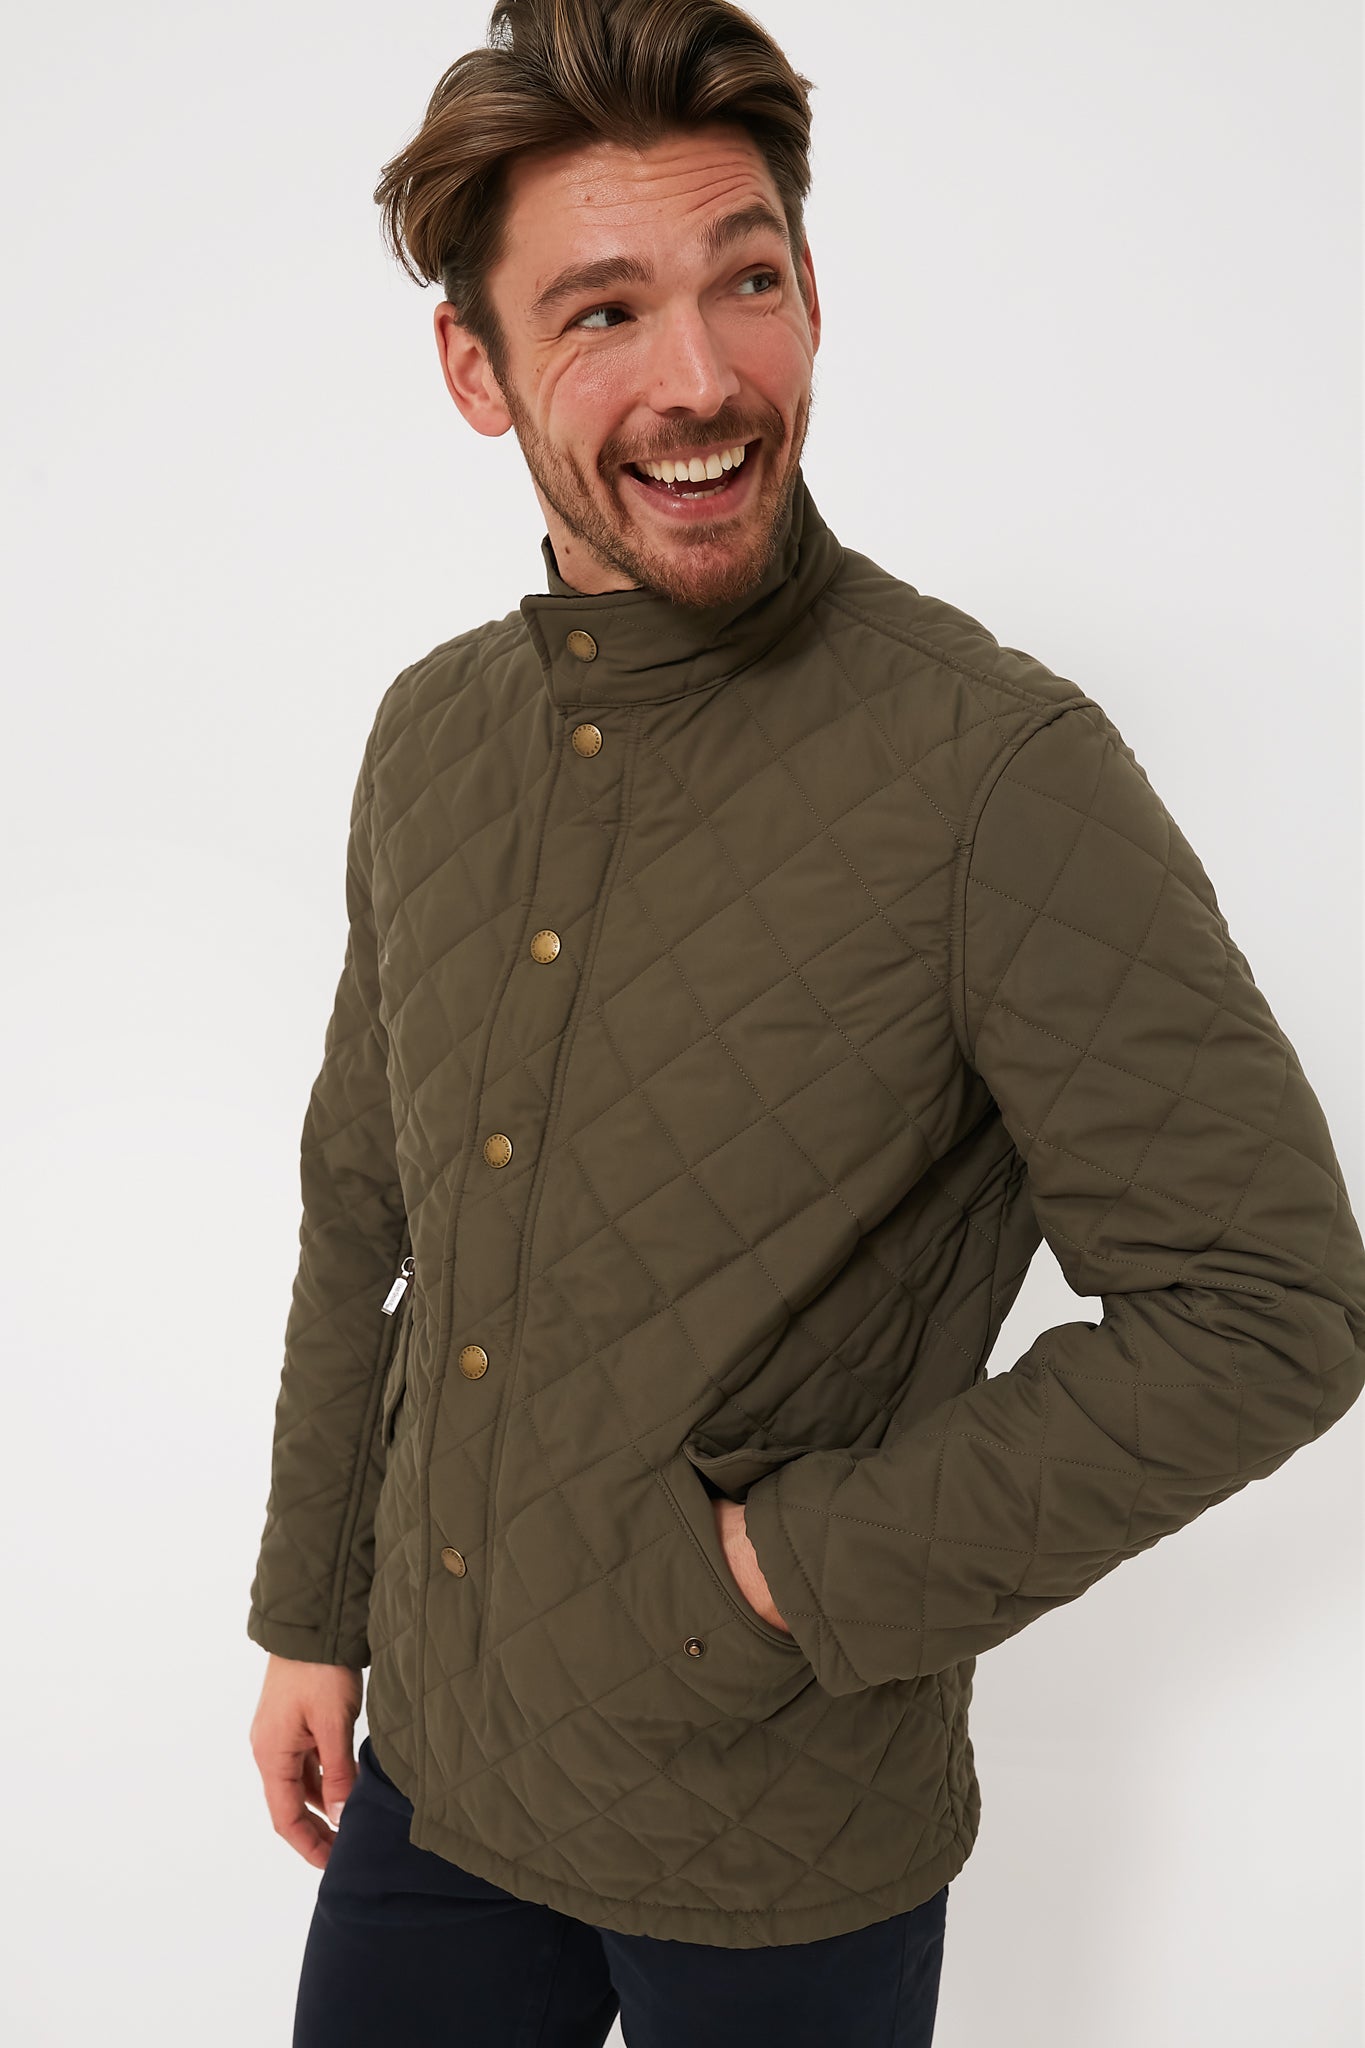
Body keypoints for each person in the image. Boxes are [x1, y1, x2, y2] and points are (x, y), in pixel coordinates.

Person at [245, 3, 1365, 2043]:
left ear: (811, 292)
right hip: (438, 1776)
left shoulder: (993, 770)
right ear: (474, 370)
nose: (701, 378)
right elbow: (361, 1206)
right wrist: (312, 1612)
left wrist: (779, 1579)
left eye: (743, 279)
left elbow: (1266, 1307)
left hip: (772, 1842)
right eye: (601, 311)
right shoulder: (430, 740)